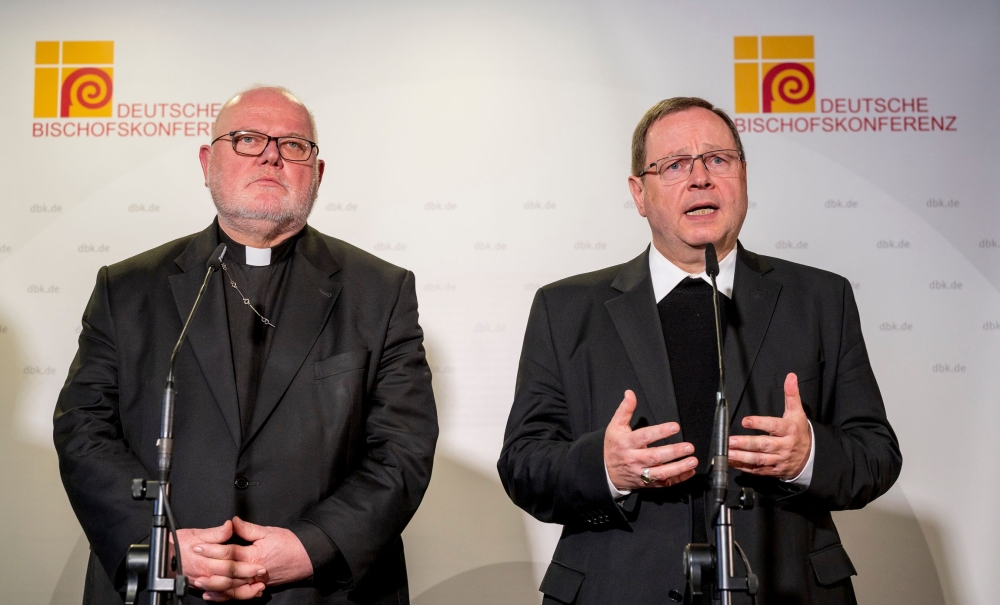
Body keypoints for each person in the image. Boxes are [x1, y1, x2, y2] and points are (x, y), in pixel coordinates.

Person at [497, 97, 901, 604]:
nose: (700, 179)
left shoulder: (821, 298)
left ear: (743, 176)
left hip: (785, 586)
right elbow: (523, 463)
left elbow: (876, 454)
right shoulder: (565, 308)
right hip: (618, 589)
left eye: (718, 159)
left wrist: (808, 456)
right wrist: (604, 466)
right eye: (674, 165)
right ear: (639, 194)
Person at [54, 86, 438, 604]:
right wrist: (160, 543)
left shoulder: (380, 292)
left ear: (318, 173)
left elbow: (403, 447)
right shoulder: (127, 289)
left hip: (316, 589)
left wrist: (313, 545)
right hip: (167, 585)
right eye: (247, 139)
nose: (271, 156)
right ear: (207, 163)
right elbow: (84, 430)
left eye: (293, 145)